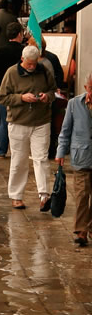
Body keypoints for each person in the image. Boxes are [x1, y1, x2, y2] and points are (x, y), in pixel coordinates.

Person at [0, 44, 57, 211]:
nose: (32, 66)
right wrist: (21, 98)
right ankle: (16, 196)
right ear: (22, 59)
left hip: (41, 121)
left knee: (41, 158)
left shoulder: (44, 70)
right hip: (18, 122)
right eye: (29, 63)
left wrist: (47, 97)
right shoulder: (11, 73)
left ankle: (44, 196)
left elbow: (53, 90)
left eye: (34, 63)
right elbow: (2, 97)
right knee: (19, 160)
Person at [56, 73, 92, 246]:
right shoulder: (74, 104)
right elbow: (65, 131)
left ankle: (89, 226)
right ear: (86, 88)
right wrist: (60, 152)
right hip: (81, 156)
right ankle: (81, 230)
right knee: (81, 194)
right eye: (91, 88)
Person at [0, 22, 26, 158]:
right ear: (19, 34)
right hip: (22, 90)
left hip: (4, 90)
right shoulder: (23, 51)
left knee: (4, 121)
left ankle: (2, 149)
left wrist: (1, 83)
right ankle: (19, 150)